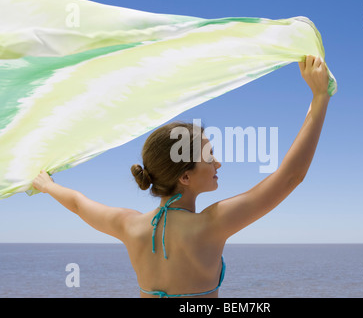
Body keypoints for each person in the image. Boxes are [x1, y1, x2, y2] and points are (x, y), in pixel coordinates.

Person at [32, 55, 332, 298]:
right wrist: (320, 97)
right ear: (185, 177)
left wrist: (47, 186)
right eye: (208, 156)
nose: (218, 163)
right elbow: (291, 176)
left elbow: (78, 203)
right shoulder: (212, 224)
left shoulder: (128, 224)